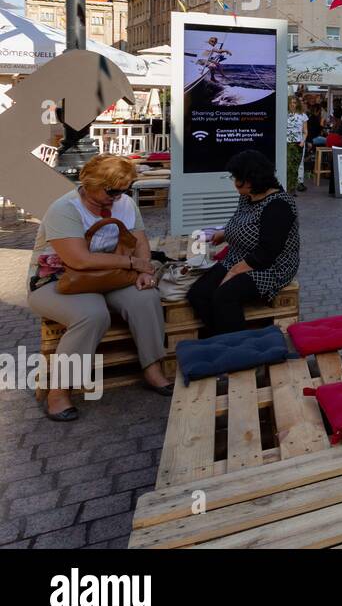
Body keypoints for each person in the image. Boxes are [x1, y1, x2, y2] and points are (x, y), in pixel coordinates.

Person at [28, 154, 172, 420]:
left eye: (122, 191)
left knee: (146, 297)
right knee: (91, 315)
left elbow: (140, 241)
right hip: (59, 280)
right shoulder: (65, 208)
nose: (117, 196)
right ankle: (59, 391)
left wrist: (143, 270)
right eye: (111, 190)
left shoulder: (125, 203)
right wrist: (133, 263)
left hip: (109, 276)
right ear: (90, 182)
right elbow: (79, 260)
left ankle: (153, 369)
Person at [187, 150, 300, 334]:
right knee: (198, 294)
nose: (234, 182)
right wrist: (223, 234)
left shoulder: (279, 206)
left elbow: (267, 253)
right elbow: (244, 223)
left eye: (236, 178)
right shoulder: (248, 196)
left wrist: (233, 271)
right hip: (239, 257)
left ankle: (239, 349)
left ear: (251, 180)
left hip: (270, 267)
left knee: (224, 296)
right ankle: (220, 338)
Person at [286, 96, 308, 193]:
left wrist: (302, 142)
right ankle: (287, 186)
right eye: (291, 102)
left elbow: (305, 131)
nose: (292, 104)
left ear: (297, 104)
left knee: (296, 165)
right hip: (286, 143)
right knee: (287, 165)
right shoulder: (284, 114)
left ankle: (293, 187)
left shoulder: (302, 115)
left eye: (294, 102)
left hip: (298, 143)